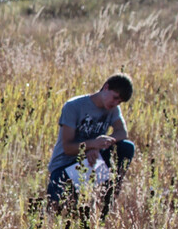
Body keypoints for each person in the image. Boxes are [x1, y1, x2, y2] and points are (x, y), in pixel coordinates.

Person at [46, 73, 135, 213]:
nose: (116, 103)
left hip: (92, 161)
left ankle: (107, 201)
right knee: (58, 214)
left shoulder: (112, 109)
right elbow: (68, 148)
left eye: (120, 102)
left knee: (126, 147)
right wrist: (93, 144)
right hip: (65, 165)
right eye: (115, 98)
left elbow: (122, 133)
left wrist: (99, 147)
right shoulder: (74, 106)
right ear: (106, 87)